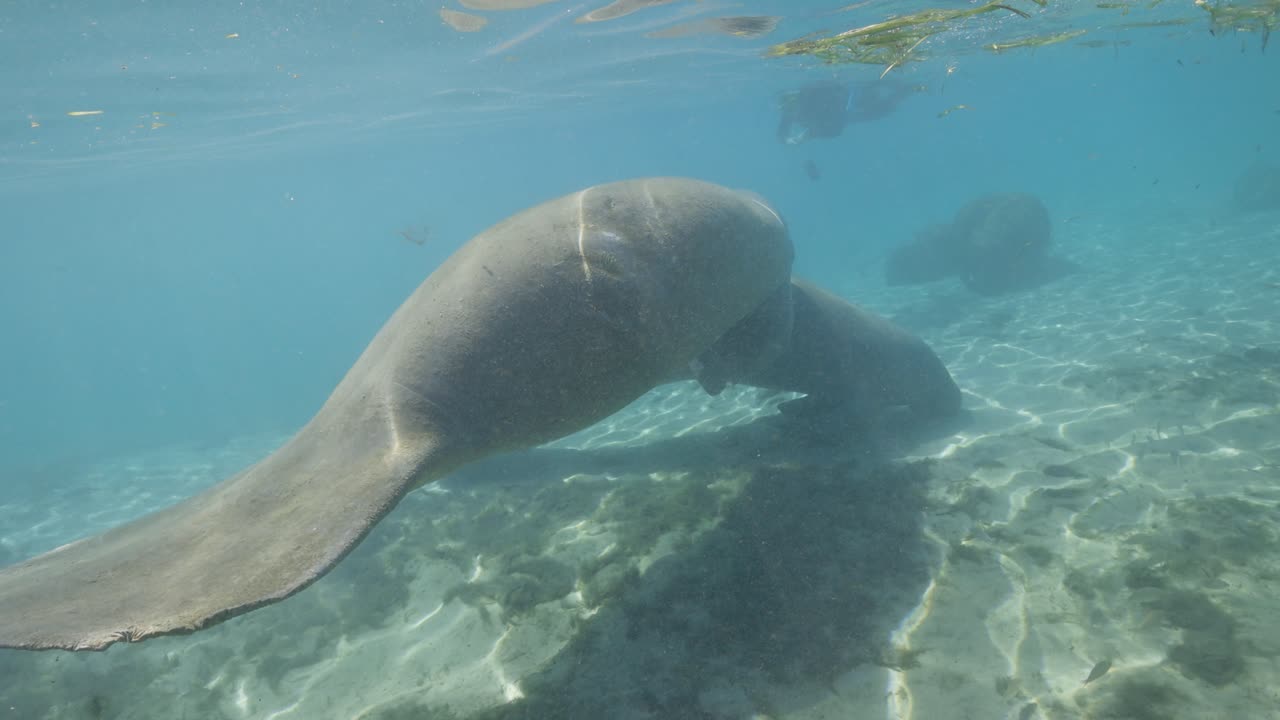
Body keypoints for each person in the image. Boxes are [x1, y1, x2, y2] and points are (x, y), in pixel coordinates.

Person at [776, 78, 915, 145]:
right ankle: (901, 91)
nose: (788, 110)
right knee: (877, 110)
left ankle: (901, 88)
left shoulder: (812, 98)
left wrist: (809, 134)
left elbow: (835, 129)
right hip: (844, 111)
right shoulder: (790, 111)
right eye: (787, 105)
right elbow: (782, 134)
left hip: (846, 102)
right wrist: (791, 140)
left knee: (875, 106)